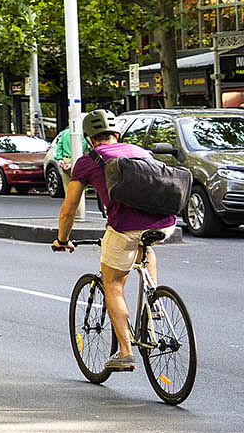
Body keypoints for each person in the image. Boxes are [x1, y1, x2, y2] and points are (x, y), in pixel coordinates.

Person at [53, 108, 174, 370]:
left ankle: (125, 352)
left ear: (90, 139)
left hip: (124, 228)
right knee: (146, 247)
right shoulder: (140, 152)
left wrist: (62, 239)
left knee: (113, 283)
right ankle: (153, 300)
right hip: (165, 224)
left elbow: (69, 209)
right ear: (117, 135)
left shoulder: (88, 161)